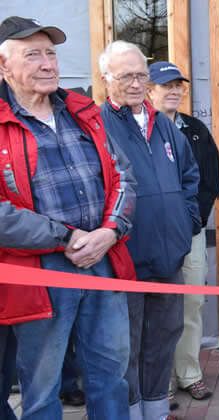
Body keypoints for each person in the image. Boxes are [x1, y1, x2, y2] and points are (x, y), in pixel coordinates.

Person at [0, 16, 137, 419]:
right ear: (3, 66)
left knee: (111, 374)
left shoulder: (82, 112)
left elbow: (124, 177)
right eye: (33, 55)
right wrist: (66, 238)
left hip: (102, 260)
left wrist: (110, 232)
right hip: (41, 273)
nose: (47, 64)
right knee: (42, 387)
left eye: (51, 53)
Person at [99, 40, 200, 420]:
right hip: (123, 261)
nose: (136, 83)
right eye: (126, 76)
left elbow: (190, 177)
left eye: (141, 74)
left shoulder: (164, 126)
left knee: (163, 339)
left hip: (168, 258)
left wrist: (185, 224)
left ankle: (156, 411)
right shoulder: (97, 125)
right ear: (106, 78)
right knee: (125, 347)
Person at [146, 60, 219, 401]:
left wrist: (192, 221)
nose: (175, 90)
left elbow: (209, 184)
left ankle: (189, 373)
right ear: (149, 90)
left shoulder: (195, 130)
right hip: (149, 236)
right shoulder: (137, 129)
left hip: (188, 232)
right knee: (155, 307)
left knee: (192, 303)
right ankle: (159, 382)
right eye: (167, 85)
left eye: (179, 85)